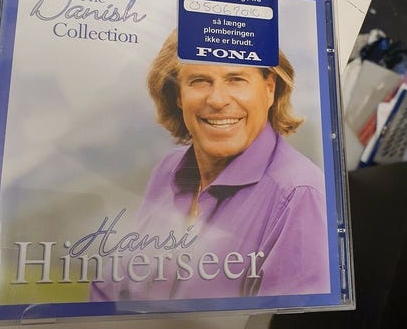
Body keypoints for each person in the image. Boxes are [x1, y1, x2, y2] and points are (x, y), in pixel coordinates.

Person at [90, 30, 330, 301]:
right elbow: (110, 291)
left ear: (269, 88)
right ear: (178, 95)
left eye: (236, 79)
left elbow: (286, 319)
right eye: (200, 81)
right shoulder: (167, 170)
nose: (217, 99)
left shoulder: (300, 195)